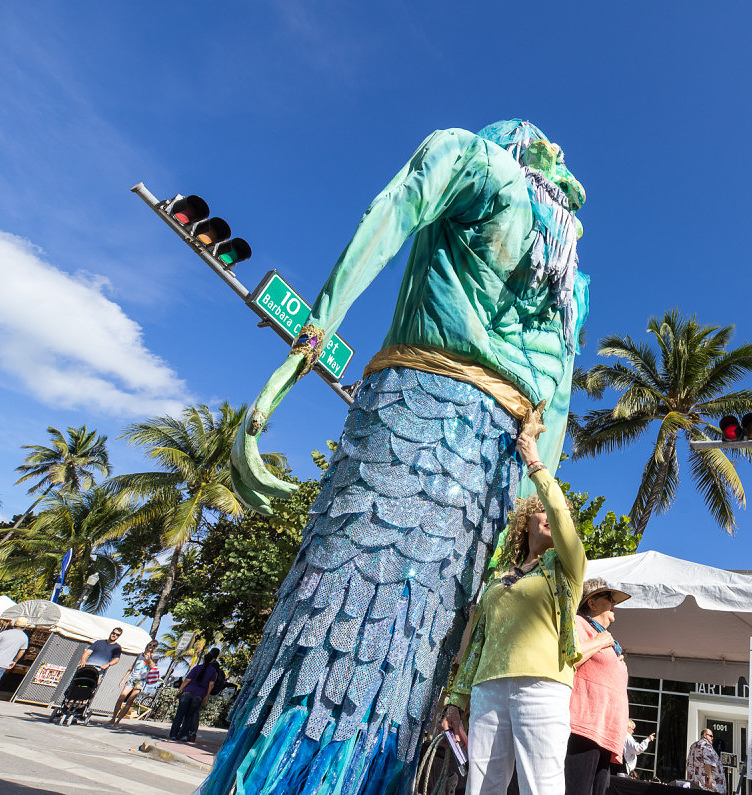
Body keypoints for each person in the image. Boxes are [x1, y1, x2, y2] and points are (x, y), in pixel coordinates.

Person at [206, 119, 589, 795]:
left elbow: (392, 211)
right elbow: (552, 409)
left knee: (342, 615)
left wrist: (313, 333)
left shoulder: (476, 159)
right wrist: (533, 494)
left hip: (416, 413)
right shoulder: (567, 285)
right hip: (491, 469)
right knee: (399, 641)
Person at [440, 413, 586, 795]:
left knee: (543, 787)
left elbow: (561, 512)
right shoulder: (497, 576)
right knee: (480, 789)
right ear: (525, 522)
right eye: (543, 512)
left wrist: (534, 460)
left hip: (542, 685)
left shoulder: (567, 567)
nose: (553, 518)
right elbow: (477, 642)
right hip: (487, 686)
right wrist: (457, 701)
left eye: (555, 514)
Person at [565, 577, 632, 795]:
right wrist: (601, 643)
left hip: (606, 732)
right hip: (584, 728)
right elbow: (568, 659)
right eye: (609, 598)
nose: (615, 604)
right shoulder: (578, 622)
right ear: (592, 603)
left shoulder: (610, 640)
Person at [171, 648, 223, 743]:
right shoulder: (213, 672)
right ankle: (185, 735)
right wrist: (206, 696)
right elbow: (211, 684)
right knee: (190, 716)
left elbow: (187, 680)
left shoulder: (197, 667)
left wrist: (179, 691)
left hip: (187, 692)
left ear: (203, 659)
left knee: (180, 714)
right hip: (199, 695)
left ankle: (173, 734)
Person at [106, 639, 160, 726]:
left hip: (141, 680)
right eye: (150, 644)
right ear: (147, 644)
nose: (151, 646)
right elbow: (132, 667)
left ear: (156, 647)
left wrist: (150, 656)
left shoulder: (155, 656)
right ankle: (113, 718)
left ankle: (118, 721)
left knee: (130, 700)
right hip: (132, 678)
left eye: (154, 646)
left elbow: (152, 665)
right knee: (121, 697)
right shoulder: (140, 655)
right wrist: (124, 678)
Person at [687, 728, 726, 792]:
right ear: (704, 735)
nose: (712, 738)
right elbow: (707, 762)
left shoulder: (693, 746)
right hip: (708, 786)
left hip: (696, 784)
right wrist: (710, 779)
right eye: (710, 736)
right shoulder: (706, 745)